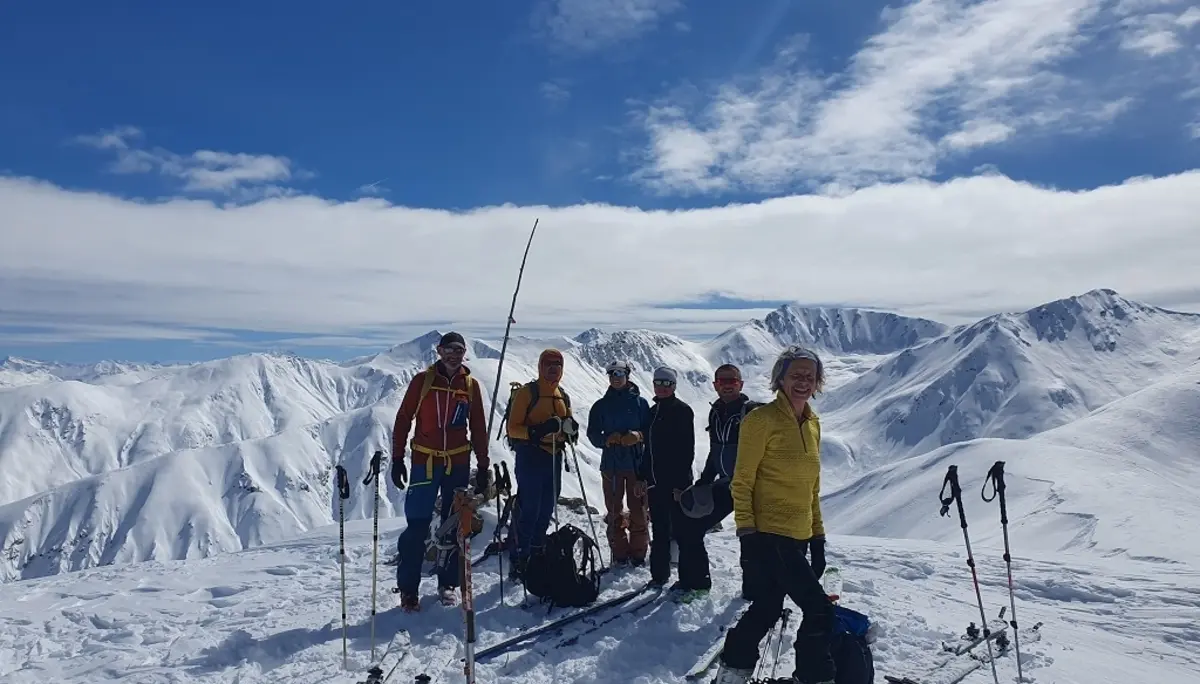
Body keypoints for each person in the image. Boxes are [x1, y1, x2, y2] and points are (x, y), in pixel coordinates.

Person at [714, 346, 834, 684]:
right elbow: (742, 482)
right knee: (820, 610)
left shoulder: (812, 424)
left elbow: (811, 487)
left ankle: (731, 674)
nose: (803, 382)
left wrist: (818, 538)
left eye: (809, 376)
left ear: (817, 382)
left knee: (766, 608)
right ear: (779, 378)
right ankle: (814, 678)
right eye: (795, 375)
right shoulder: (759, 421)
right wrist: (747, 534)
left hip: (799, 537)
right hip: (769, 536)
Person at [390, 332, 492, 612]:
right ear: (439, 351)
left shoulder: (470, 386)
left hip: (458, 463)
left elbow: (479, 429)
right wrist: (397, 457)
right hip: (425, 462)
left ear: (464, 353)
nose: (453, 355)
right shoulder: (423, 382)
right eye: (449, 349)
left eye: (459, 350)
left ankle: (447, 584)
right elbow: (403, 418)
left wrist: (483, 466)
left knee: (454, 526)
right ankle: (409, 589)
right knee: (417, 527)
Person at [677, 363, 763, 598]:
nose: (726, 386)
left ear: (741, 384)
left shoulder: (753, 413)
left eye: (731, 381)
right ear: (714, 385)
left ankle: (754, 593)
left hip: (752, 488)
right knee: (689, 526)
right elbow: (716, 451)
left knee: (751, 540)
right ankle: (696, 582)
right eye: (721, 381)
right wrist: (704, 481)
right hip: (727, 484)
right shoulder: (716, 411)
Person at [505, 348, 579, 580]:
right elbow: (512, 428)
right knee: (529, 508)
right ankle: (519, 558)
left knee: (546, 507)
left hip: (554, 456)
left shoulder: (561, 395)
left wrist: (570, 432)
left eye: (558, 364)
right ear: (540, 366)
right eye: (549, 363)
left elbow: (567, 425)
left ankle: (536, 553)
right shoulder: (528, 393)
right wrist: (538, 430)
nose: (553, 368)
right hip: (531, 455)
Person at [638, 366, 707, 599]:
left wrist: (681, 484)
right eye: (658, 382)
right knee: (659, 529)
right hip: (656, 482)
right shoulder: (652, 412)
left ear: (674, 386)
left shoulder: (682, 411)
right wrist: (642, 477)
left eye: (667, 383)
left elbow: (687, 449)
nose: (662, 387)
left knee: (681, 530)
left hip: (677, 483)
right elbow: (647, 450)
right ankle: (659, 575)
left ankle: (686, 578)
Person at [586, 359, 651, 567]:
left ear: (627, 375)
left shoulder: (641, 404)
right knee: (614, 511)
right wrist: (606, 439)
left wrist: (639, 436)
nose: (616, 378)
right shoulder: (600, 406)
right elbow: (593, 435)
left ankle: (638, 554)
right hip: (612, 464)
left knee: (638, 510)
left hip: (635, 464)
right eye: (612, 374)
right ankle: (620, 554)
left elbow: (651, 433)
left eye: (620, 373)